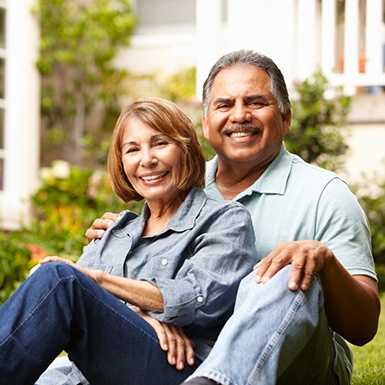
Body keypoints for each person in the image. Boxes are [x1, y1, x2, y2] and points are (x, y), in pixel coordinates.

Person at [87, 50, 380, 385]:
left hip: (293, 366)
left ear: (285, 117)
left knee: (286, 266)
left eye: (256, 102)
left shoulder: (325, 194)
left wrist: (324, 263)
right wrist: (122, 243)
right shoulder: (175, 186)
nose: (240, 115)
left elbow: (364, 327)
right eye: (224, 105)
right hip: (183, 356)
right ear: (206, 123)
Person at [0, 97, 257, 385]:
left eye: (160, 143)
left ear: (186, 149)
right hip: (93, 374)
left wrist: (99, 281)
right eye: (133, 150)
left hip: (178, 367)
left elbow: (198, 297)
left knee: (61, 279)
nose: (147, 159)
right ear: (122, 164)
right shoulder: (115, 231)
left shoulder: (225, 219)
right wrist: (140, 316)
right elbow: (55, 299)